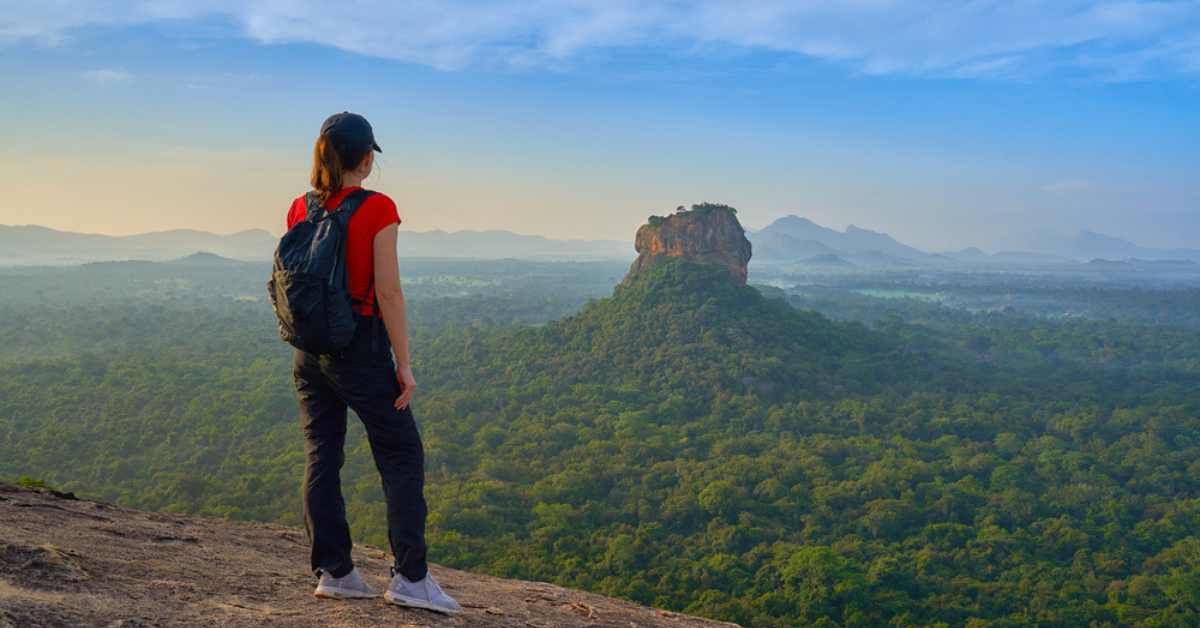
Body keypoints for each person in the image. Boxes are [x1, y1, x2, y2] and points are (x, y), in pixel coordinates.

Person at [285, 112, 460, 614]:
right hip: (359, 347)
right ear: (366, 157)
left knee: (322, 455)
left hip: (308, 350)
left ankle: (335, 571)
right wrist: (403, 363)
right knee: (402, 455)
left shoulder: (300, 206)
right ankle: (411, 577)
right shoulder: (377, 207)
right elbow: (388, 290)